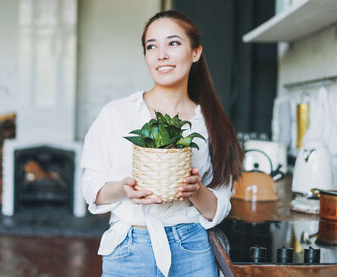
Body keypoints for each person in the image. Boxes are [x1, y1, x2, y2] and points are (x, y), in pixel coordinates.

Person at [81, 10, 243, 277]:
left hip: (192, 251)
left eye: (173, 43)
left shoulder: (211, 123)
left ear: (195, 52)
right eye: (151, 46)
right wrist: (123, 189)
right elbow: (91, 188)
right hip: (128, 251)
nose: (161, 54)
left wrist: (196, 191)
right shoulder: (117, 113)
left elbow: (220, 204)